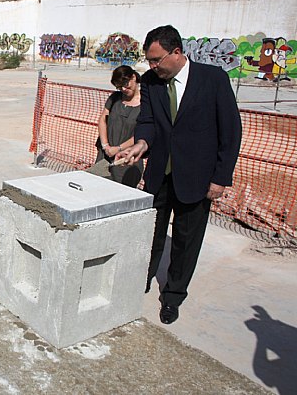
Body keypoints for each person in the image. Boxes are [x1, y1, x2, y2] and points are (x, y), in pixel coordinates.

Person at [118, 25, 242, 324]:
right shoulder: (150, 82)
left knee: (187, 241)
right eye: (149, 60)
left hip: (198, 177)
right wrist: (142, 143)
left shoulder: (213, 79)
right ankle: (141, 282)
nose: (152, 66)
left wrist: (221, 177)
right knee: (151, 234)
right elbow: (148, 121)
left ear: (176, 52)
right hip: (160, 173)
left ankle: (173, 296)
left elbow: (231, 130)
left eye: (157, 59)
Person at [95, 65, 142, 187]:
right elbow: (103, 119)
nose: (124, 89)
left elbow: (141, 133)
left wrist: (119, 149)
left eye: (126, 84)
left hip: (127, 159)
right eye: (119, 87)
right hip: (106, 155)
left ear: (134, 77)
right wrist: (106, 146)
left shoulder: (146, 103)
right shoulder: (114, 98)